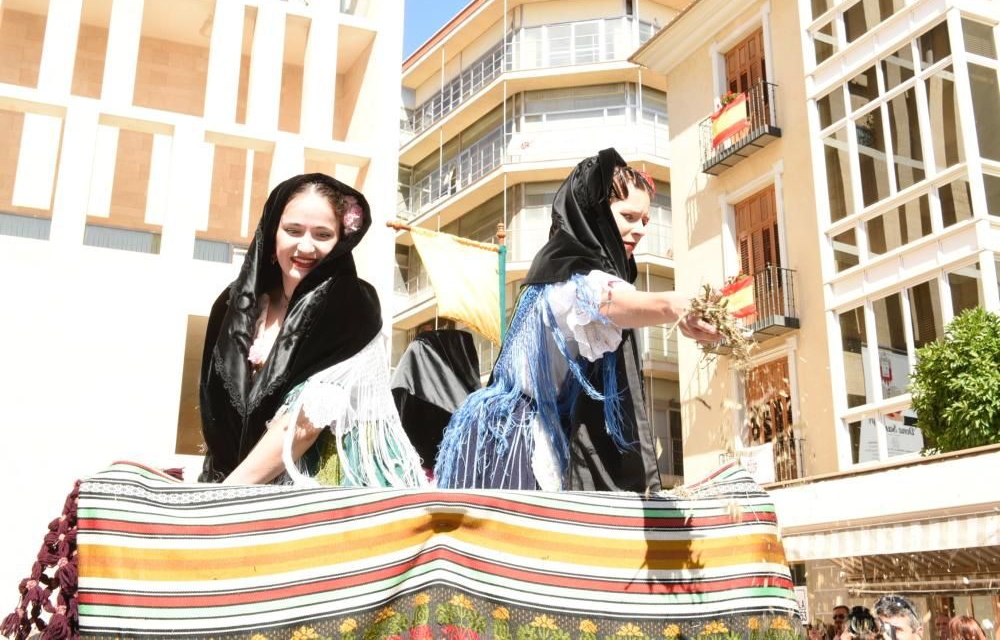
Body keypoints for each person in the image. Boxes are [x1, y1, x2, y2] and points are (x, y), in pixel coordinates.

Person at [434, 148, 721, 492]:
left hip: (513, 432)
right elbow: (611, 301)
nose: (640, 229)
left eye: (645, 220)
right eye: (628, 216)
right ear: (595, 214)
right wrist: (675, 305)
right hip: (512, 443)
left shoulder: (554, 271)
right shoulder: (570, 282)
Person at [198, 173, 426, 487]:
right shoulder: (232, 306)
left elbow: (304, 426)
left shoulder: (353, 307)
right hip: (234, 484)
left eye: (322, 234)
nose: (306, 246)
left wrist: (226, 495)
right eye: (293, 230)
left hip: (318, 488)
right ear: (272, 231)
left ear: (341, 241)